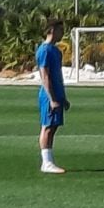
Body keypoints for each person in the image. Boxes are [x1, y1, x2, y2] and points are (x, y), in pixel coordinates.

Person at [37, 18, 70, 174]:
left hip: (57, 93)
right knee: (48, 127)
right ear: (52, 30)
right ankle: (46, 162)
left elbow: (58, 75)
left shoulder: (56, 51)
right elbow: (45, 75)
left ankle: (48, 160)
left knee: (53, 126)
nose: (62, 33)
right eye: (60, 30)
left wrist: (63, 97)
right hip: (49, 95)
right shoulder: (44, 50)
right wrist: (52, 99)